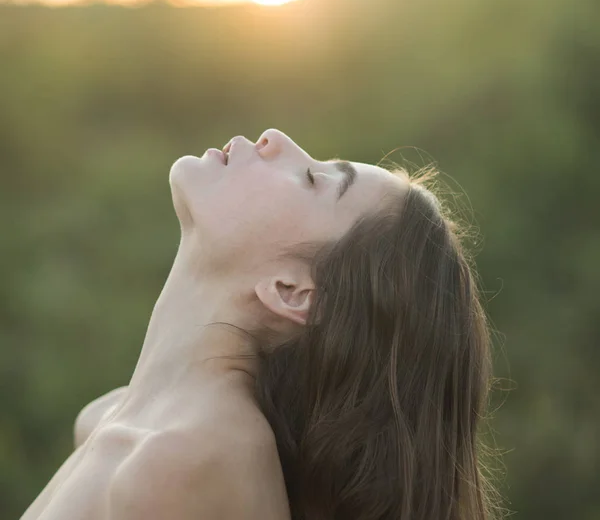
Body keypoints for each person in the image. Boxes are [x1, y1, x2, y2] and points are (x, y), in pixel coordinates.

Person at [21, 128, 499, 520]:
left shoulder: (200, 456)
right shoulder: (112, 419)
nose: (274, 138)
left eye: (313, 179)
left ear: (291, 290)